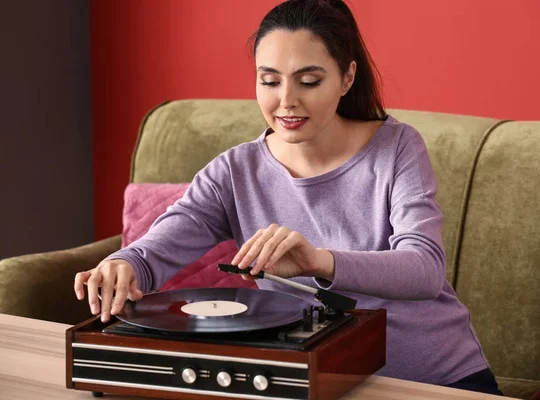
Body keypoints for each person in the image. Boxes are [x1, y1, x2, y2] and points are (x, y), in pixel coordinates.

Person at [74, 0, 503, 395]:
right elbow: (153, 253)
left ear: (347, 77)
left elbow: (425, 270)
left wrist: (319, 261)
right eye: (270, 81)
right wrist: (124, 264)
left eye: (309, 81)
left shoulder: (397, 148)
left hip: (436, 381)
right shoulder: (233, 172)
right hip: (312, 384)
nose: (286, 101)